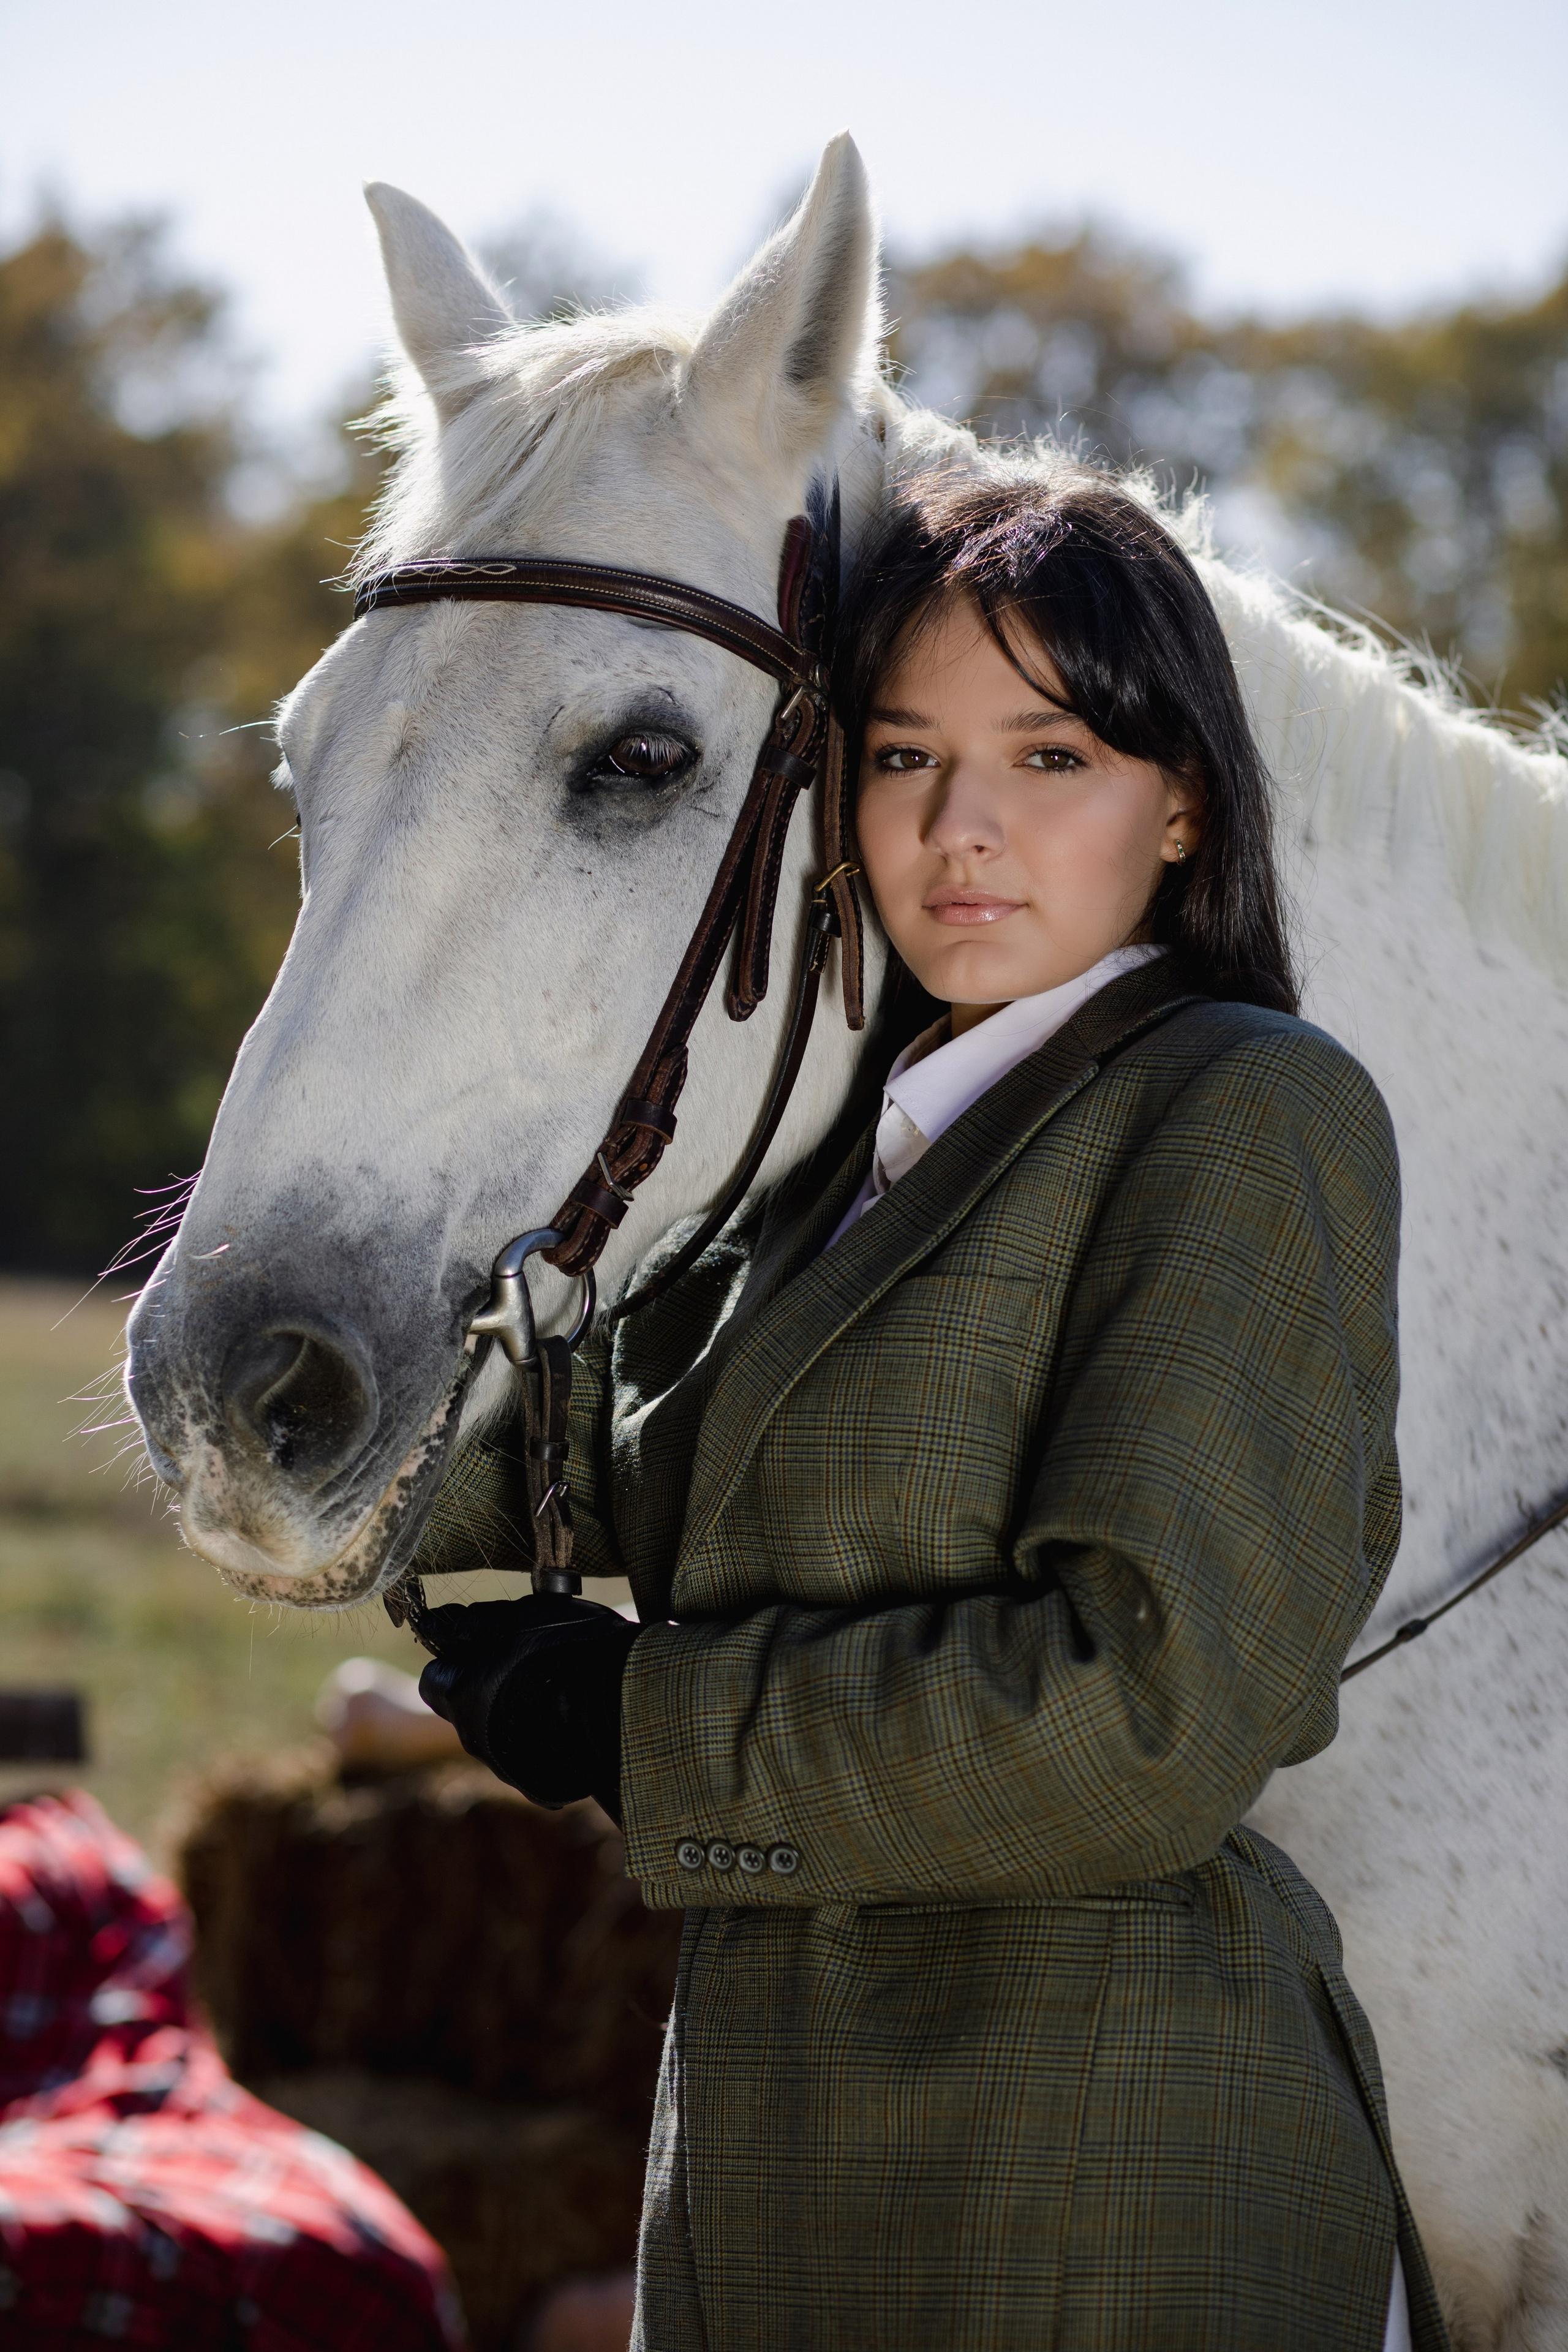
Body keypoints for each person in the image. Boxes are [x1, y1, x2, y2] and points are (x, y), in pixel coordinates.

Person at [418, 462, 1450, 2352]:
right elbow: (596, 1457)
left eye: (1047, 759)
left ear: (1181, 804)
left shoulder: (1244, 1106)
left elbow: (1148, 1707)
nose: (960, 830)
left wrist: (647, 1731)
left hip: (1104, 2173)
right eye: (902, 759)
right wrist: (342, 1423)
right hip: (777, 2162)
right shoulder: (844, 1157)